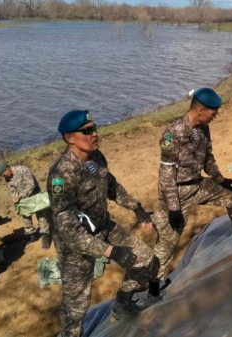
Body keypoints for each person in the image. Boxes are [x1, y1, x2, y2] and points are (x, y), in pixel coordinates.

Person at [47, 110, 155, 335]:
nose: (95, 134)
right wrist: (110, 251)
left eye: (95, 128)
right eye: (87, 131)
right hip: (76, 244)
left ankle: (122, 304)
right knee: (77, 305)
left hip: (103, 226)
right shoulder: (61, 174)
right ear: (70, 138)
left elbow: (112, 186)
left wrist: (136, 207)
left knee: (145, 258)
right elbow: (69, 232)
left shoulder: (96, 157)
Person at [147, 88, 232, 304]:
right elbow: (165, 175)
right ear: (200, 110)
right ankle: (153, 291)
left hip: (198, 185)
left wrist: (221, 180)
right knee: (166, 245)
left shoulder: (203, 128)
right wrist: (173, 208)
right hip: (176, 193)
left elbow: (208, 158)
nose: (215, 116)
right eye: (213, 113)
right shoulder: (172, 134)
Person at [0, 162, 51, 249]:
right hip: (22, 198)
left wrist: (21, 195)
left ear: (7, 168)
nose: (4, 177)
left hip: (34, 193)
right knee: (26, 216)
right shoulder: (8, 177)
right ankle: (32, 235)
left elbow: (31, 184)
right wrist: (15, 198)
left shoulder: (22, 169)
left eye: (4, 174)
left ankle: (45, 235)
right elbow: (12, 189)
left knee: (41, 215)